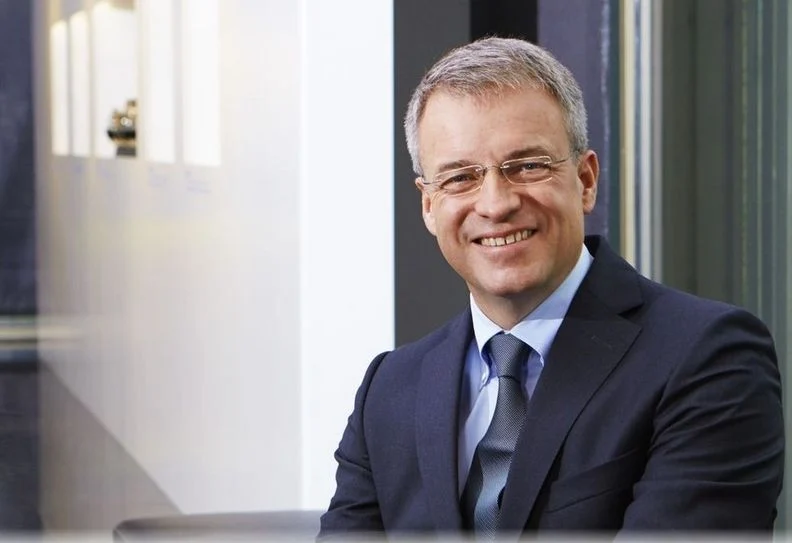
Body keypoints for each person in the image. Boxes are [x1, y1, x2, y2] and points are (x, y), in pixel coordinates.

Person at [319, 37, 784, 537]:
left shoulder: (707, 357)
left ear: (586, 180)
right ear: (429, 205)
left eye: (527, 166)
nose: (495, 204)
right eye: (459, 178)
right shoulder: (389, 389)